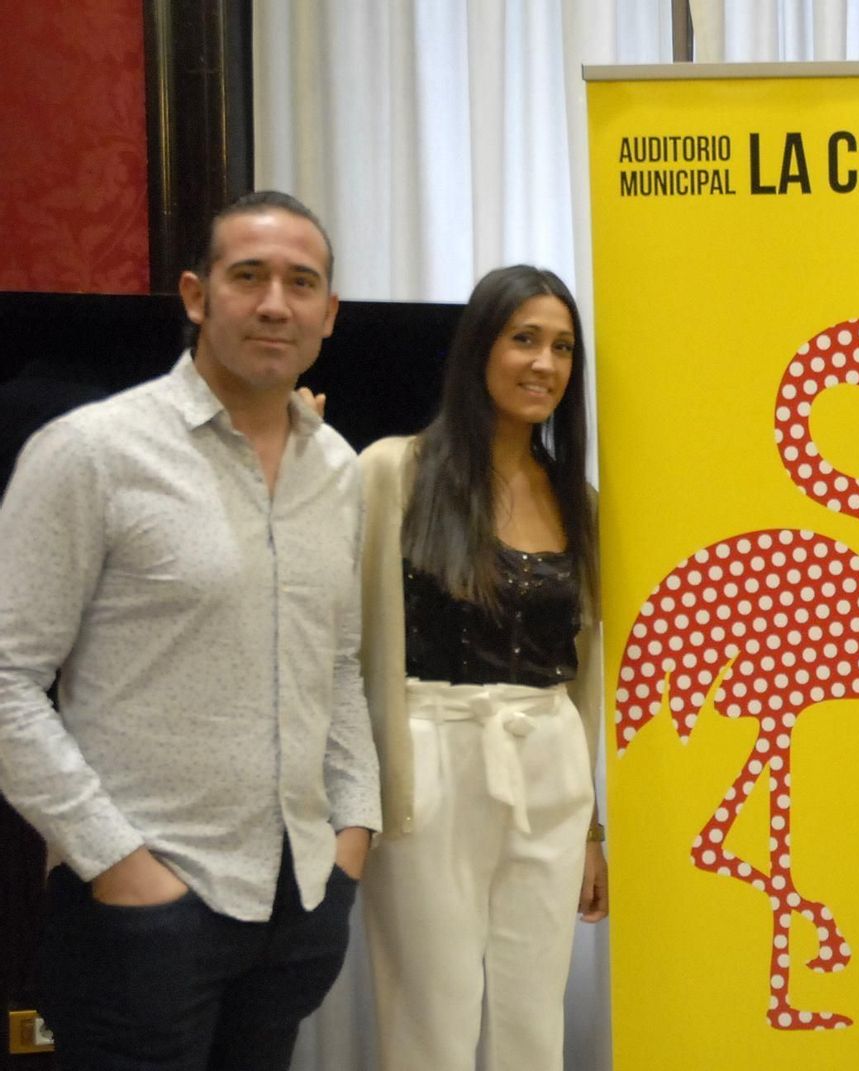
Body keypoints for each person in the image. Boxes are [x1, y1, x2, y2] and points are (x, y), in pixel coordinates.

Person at [0, 190, 380, 1070]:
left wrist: (350, 833)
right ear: (196, 294)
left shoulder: (341, 468)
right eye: (248, 276)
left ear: (330, 312)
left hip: (297, 905)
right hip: (140, 917)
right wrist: (118, 862)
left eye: (301, 281)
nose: (275, 302)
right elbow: (8, 676)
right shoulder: (92, 452)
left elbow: (342, 664)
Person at [356, 265, 607, 1070]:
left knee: (535, 1014)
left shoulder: (581, 498)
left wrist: (594, 823)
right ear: (479, 349)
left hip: (550, 762)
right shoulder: (395, 470)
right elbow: (354, 644)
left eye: (563, 346)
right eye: (524, 338)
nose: (545, 363)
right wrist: (365, 798)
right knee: (432, 1011)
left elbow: (585, 667)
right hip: (430, 759)